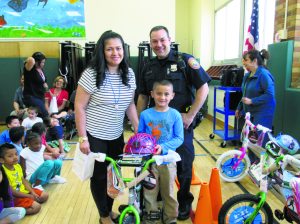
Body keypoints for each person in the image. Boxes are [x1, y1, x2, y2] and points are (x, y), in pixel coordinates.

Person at [137, 25, 211, 220]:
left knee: (184, 165)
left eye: (162, 40)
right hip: (155, 128)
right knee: (155, 165)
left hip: (181, 126)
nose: (159, 44)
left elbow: (203, 88)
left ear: (170, 39)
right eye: (154, 41)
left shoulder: (185, 61)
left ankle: (184, 202)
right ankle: (160, 201)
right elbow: (143, 96)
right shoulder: (148, 67)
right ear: (150, 43)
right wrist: (138, 128)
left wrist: (191, 115)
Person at [75, 30, 139, 224]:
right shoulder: (91, 73)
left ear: (124, 50)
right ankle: (103, 216)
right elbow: (79, 106)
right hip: (95, 135)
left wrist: (138, 130)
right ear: (102, 51)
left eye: (118, 48)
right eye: (109, 49)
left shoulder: (128, 73)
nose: (115, 53)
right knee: (100, 177)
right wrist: (83, 137)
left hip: (116, 135)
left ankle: (108, 211)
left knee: (114, 176)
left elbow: (130, 104)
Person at [138, 80, 183, 224]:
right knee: (149, 191)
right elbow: (141, 137)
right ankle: (151, 218)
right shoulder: (145, 115)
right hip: (149, 162)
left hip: (168, 161)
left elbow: (179, 138)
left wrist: (163, 147)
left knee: (169, 192)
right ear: (152, 94)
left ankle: (170, 218)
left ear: (172, 96)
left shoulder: (175, 115)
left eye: (166, 94)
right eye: (158, 93)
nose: (162, 97)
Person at [236, 49, 276, 161]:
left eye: (246, 60)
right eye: (243, 60)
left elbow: (270, 95)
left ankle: (261, 168)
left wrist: (252, 101)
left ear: (254, 61)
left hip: (263, 113)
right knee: (251, 140)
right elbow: (244, 93)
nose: (244, 63)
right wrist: (239, 108)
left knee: (259, 142)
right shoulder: (247, 75)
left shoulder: (263, 75)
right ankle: (252, 164)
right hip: (250, 112)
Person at [0, 143, 49, 215]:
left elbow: (24, 181)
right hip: (15, 197)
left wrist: (32, 192)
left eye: (16, 154)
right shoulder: (3, 172)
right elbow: (12, 192)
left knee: (45, 195)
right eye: (10, 156)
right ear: (1, 160)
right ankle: (14, 211)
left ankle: (29, 202)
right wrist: (29, 196)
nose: (15, 157)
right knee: (36, 207)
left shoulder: (17, 166)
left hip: (24, 192)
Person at [23, 52, 49, 119]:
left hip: (40, 95)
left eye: (44, 62)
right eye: (42, 62)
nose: (43, 64)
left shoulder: (40, 69)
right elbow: (31, 60)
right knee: (45, 114)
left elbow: (42, 80)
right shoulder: (29, 69)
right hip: (31, 95)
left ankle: (39, 129)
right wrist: (37, 55)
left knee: (39, 115)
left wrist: (45, 85)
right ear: (36, 61)